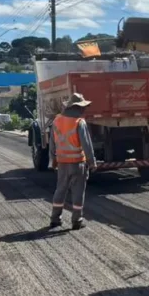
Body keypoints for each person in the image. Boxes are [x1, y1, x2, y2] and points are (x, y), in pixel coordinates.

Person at [48, 92, 97, 230]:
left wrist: (53, 160)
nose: (84, 109)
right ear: (77, 107)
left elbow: (52, 144)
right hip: (77, 163)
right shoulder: (79, 122)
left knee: (60, 190)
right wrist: (92, 162)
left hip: (62, 163)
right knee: (78, 192)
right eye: (82, 107)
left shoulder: (56, 121)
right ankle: (77, 221)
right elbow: (87, 145)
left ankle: (55, 219)